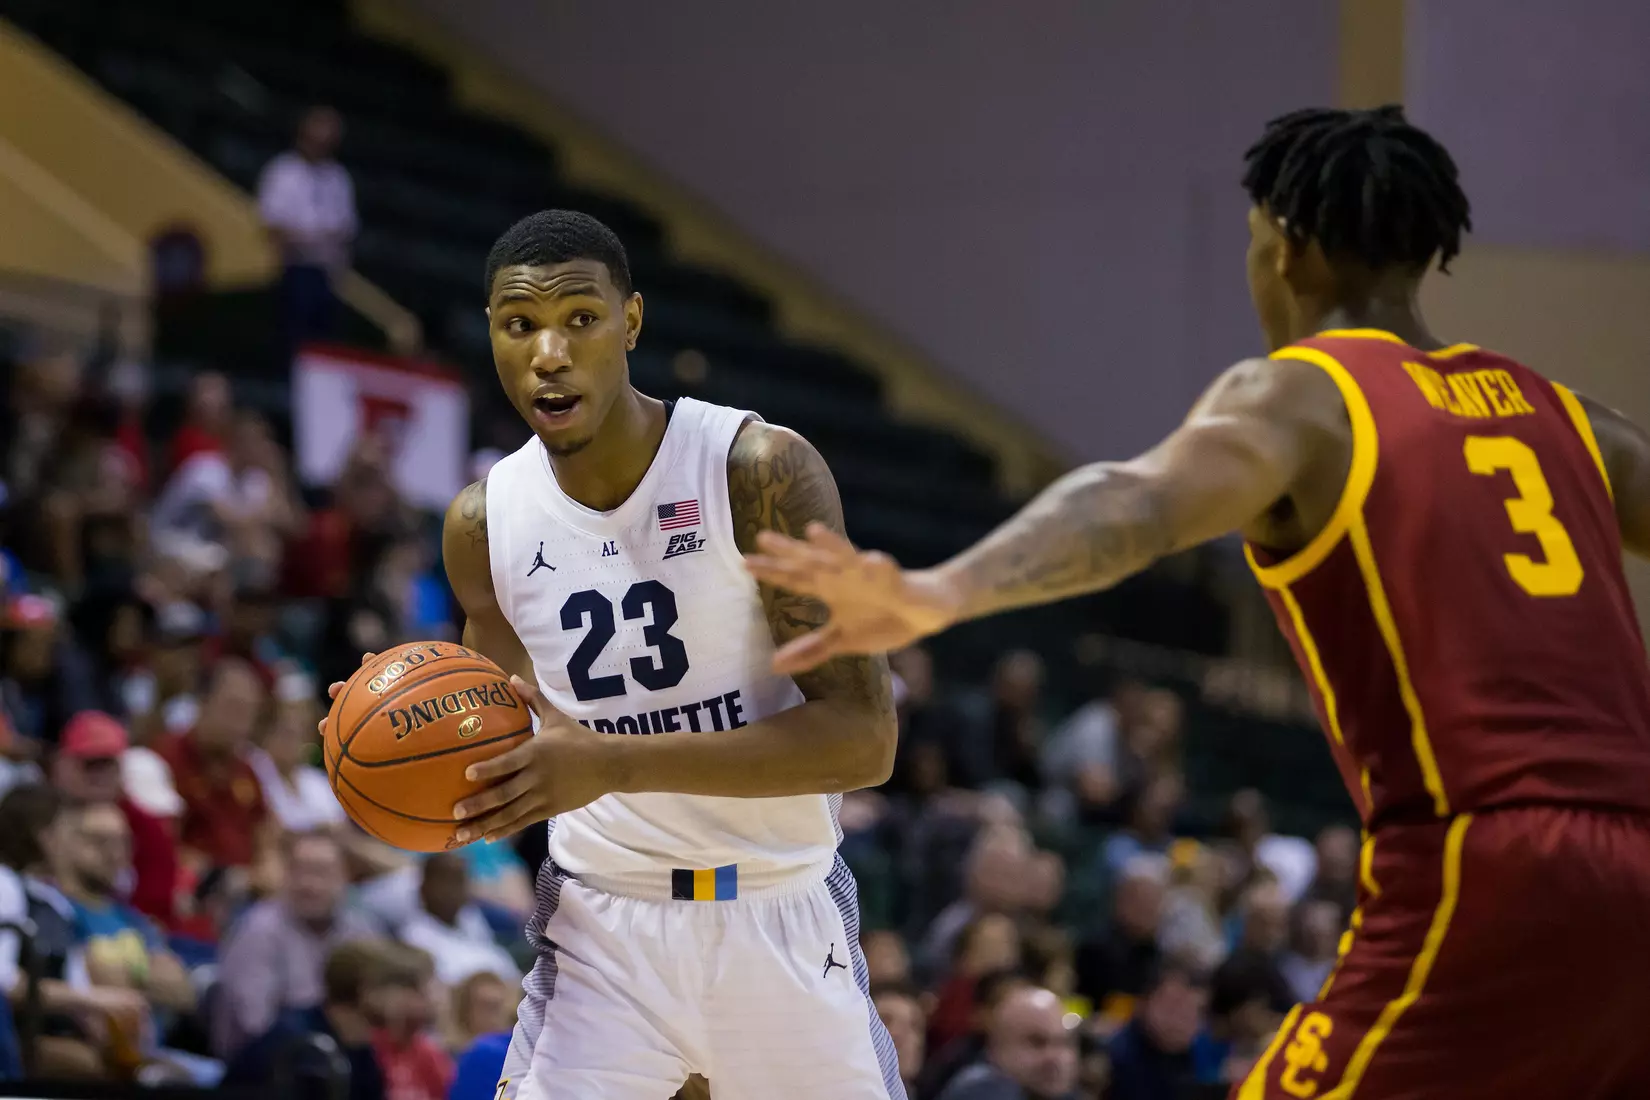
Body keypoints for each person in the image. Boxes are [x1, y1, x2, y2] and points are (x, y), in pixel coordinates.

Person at [745, 104, 1650, 1097]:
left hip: (1490, 859)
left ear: (1287, 249)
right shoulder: (1565, 415)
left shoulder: (1306, 395)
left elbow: (1134, 500)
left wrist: (939, 589)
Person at [321, 210, 901, 1098]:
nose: (549, 352)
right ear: (492, 335)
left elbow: (865, 740)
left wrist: (617, 761)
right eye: (520, 326)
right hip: (602, 931)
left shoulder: (757, 471)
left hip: (780, 914)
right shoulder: (484, 524)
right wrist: (383, 730)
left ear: (631, 322)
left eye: (579, 319)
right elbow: (503, 751)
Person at [213, 830, 379, 1057]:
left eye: (321, 873)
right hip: (267, 1068)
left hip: (339, 1059)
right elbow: (255, 1027)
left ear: (346, 877)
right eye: (298, 871)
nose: (308, 884)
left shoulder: (359, 931)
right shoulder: (258, 931)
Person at [224, 939, 398, 1100]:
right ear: (364, 989)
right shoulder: (299, 1046)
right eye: (395, 985)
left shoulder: (361, 1048)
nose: (404, 998)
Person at [258, 106, 357, 365]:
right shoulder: (283, 171)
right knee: (293, 345)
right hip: (293, 270)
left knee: (325, 348)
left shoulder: (338, 177)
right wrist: (312, 238)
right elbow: (273, 226)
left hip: (326, 274)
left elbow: (345, 230)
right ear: (304, 132)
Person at [937, 985, 1079, 1100]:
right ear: (996, 1049)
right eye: (1037, 1043)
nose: (1054, 1057)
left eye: (1064, 1043)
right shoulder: (980, 1089)